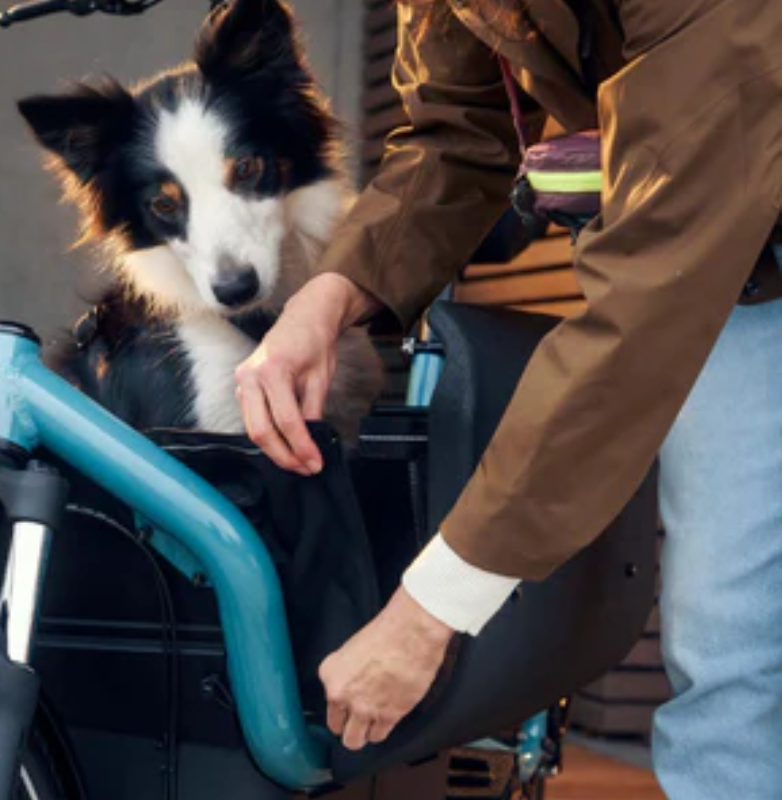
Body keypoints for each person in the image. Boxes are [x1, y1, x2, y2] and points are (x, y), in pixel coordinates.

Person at [232, 1, 782, 797]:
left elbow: (643, 310)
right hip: (738, 262)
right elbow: (458, 129)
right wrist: (330, 296)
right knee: (730, 651)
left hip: (707, 233)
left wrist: (428, 615)